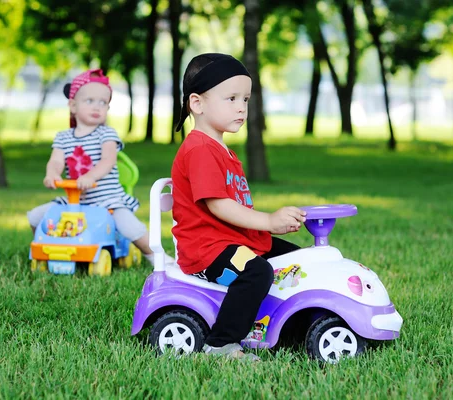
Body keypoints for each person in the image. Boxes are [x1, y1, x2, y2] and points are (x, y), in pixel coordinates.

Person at [171, 54, 306, 361]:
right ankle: (220, 343)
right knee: (256, 273)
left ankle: (286, 321)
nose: (241, 107)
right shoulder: (199, 149)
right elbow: (219, 205)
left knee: (297, 260)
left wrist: (270, 227)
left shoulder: (220, 149)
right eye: (230, 98)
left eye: (245, 99)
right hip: (208, 249)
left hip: (232, 239)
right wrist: (268, 221)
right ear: (197, 103)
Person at [27, 69, 170, 266]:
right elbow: (56, 161)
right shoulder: (63, 137)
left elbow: (108, 160)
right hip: (74, 202)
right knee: (36, 216)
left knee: (130, 228)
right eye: (90, 101)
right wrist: (52, 174)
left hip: (108, 200)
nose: (97, 107)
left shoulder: (106, 134)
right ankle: (46, 246)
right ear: (73, 105)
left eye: (103, 103)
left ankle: (154, 256)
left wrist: (91, 176)